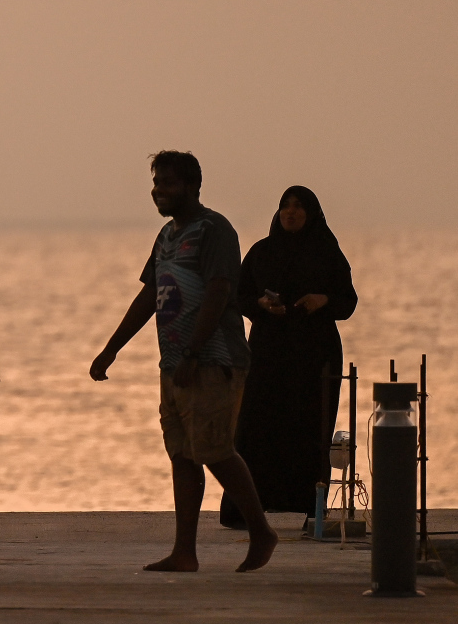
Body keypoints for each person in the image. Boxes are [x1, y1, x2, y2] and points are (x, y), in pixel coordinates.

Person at [89, 151, 277, 573]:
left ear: (193, 187)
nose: (160, 191)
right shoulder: (166, 237)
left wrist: (194, 352)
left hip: (214, 360)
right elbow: (149, 296)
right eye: (156, 183)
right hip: (173, 365)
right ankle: (184, 552)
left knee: (215, 449)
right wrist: (112, 347)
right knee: (182, 454)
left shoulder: (215, 230)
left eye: (169, 183)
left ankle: (261, 531)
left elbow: (219, 291)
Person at [222, 186, 358, 525]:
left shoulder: (327, 253)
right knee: (256, 424)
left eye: (298, 207)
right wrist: (261, 304)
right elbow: (238, 295)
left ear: (311, 214)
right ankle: (247, 507)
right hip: (268, 352)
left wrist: (322, 299)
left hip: (314, 355)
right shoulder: (262, 252)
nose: (290, 212)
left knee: (309, 424)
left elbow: (348, 300)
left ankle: (306, 505)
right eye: (285, 205)